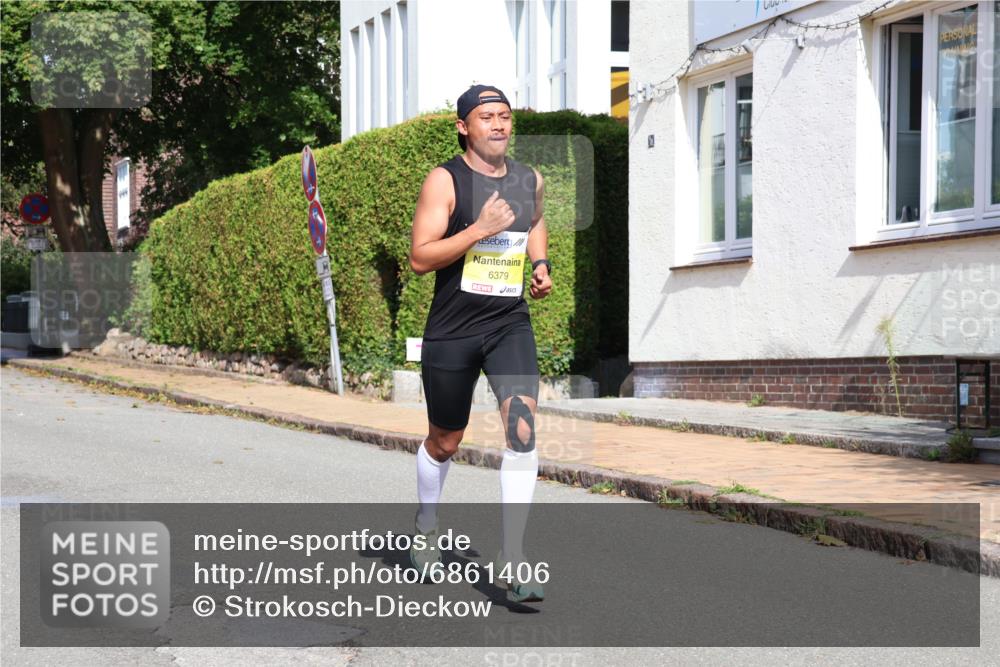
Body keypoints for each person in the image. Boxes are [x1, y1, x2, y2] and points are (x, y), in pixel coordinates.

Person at [407, 84, 552, 603]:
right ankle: (427, 526)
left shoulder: (529, 179)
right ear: (463, 127)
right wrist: (478, 230)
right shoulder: (445, 180)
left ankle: (513, 556)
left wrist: (540, 263)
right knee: (445, 441)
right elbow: (420, 258)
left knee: (522, 428)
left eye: (504, 116)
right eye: (486, 116)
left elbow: (535, 221)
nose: (498, 124)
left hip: (508, 322)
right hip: (453, 329)